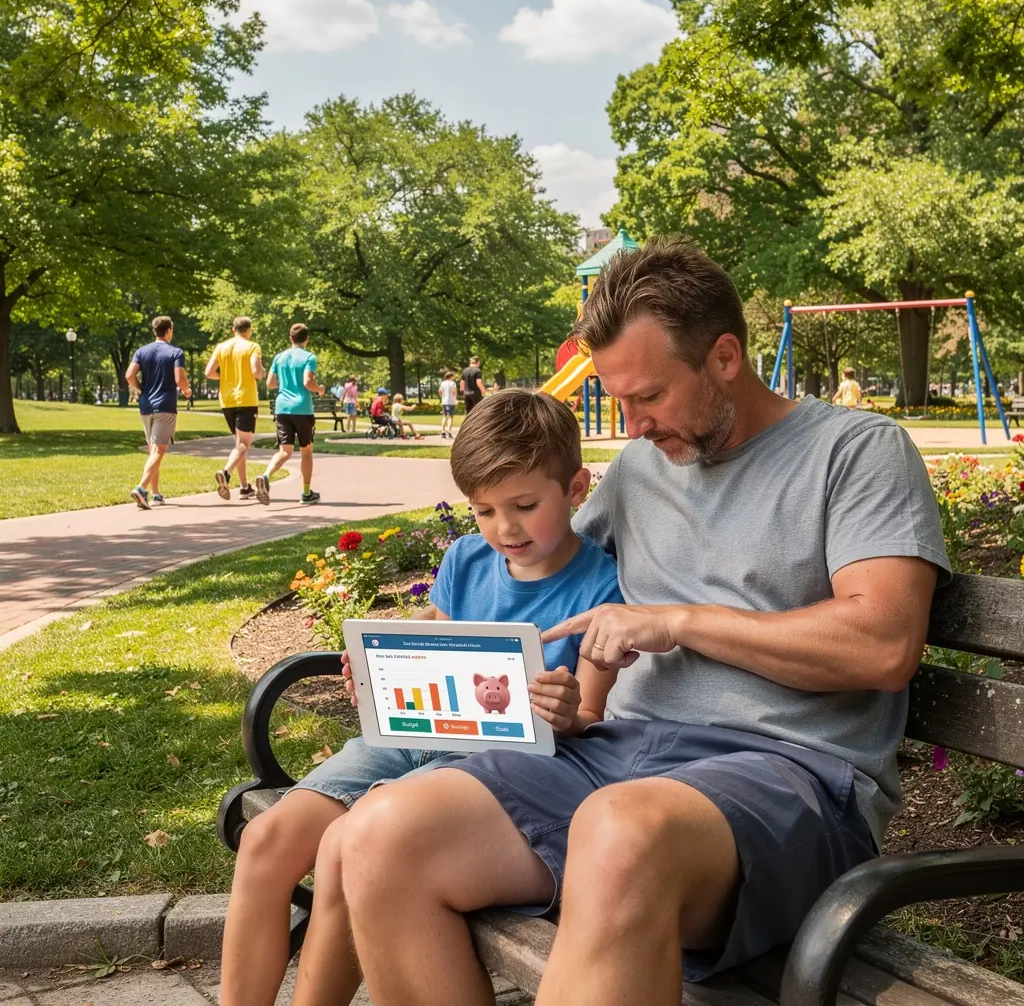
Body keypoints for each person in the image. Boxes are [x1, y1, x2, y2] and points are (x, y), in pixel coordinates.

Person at [312, 237, 949, 1006]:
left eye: (647, 396)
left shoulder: (857, 452)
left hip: (792, 775)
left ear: (723, 358)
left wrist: (677, 620)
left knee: (618, 831)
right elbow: (535, 564)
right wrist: (415, 660)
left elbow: (883, 646)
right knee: (379, 833)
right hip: (618, 756)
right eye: (618, 400)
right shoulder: (645, 470)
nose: (633, 424)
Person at [221, 389, 623, 1006]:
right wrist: (379, 674)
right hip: (408, 741)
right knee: (265, 841)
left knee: (340, 853)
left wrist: (567, 711)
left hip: (486, 772)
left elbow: (591, 717)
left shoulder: (599, 586)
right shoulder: (465, 558)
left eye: (523, 505)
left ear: (574, 489)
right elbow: (432, 642)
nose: (503, 529)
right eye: (484, 510)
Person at [125, 316, 192, 509]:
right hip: (165, 406)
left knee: (154, 450)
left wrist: (141, 389)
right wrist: (187, 391)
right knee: (160, 450)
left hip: (146, 406)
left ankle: (156, 494)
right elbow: (180, 379)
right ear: (169, 331)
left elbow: (129, 375)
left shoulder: (141, 351)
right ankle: (141, 489)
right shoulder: (175, 352)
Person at [257, 323, 324, 507]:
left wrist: (286, 385)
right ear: (307, 338)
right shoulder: (309, 357)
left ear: (290, 338)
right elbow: (307, 382)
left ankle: (265, 476)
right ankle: (306, 492)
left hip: (282, 408)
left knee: (284, 451)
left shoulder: (279, 357)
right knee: (307, 451)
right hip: (302, 408)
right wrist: (319, 389)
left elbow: (270, 383)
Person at [205, 317, 265, 500]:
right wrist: (263, 373)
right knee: (243, 445)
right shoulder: (252, 347)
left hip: (227, 400)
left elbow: (208, 372)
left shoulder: (221, 347)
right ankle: (226, 472)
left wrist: (223, 377)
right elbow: (256, 371)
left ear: (233, 330)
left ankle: (245, 486)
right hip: (246, 399)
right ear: (249, 330)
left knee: (239, 445)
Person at [439, 370, 457, 438]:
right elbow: (454, 391)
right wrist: (455, 398)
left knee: (444, 416)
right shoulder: (453, 383)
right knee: (451, 417)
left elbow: (440, 391)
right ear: (451, 376)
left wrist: (444, 395)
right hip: (451, 401)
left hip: (444, 401)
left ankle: (443, 432)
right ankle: (449, 431)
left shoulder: (443, 383)